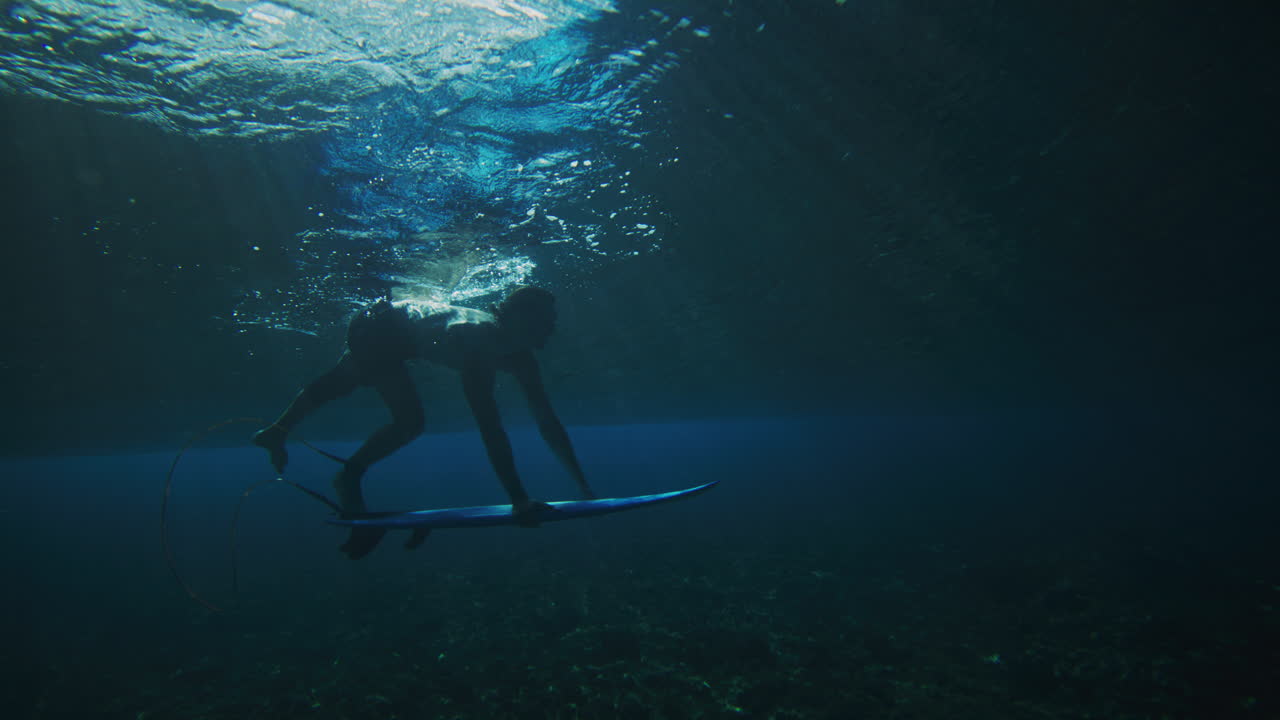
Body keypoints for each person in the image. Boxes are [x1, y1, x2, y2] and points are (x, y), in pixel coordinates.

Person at [252, 286, 595, 559]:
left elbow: (549, 424)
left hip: (391, 327)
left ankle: (277, 433)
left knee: (352, 381)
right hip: (378, 325)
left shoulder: (521, 358)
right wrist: (519, 499)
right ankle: (348, 474)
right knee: (409, 422)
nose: (552, 330)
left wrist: (584, 490)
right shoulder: (477, 340)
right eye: (546, 321)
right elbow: (489, 425)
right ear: (520, 318)